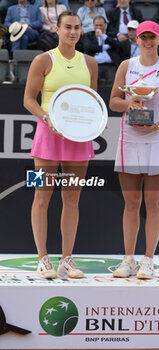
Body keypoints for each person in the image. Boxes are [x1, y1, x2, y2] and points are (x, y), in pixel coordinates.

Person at [23, 10, 98, 279]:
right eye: (68, 27)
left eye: (77, 27)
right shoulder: (42, 60)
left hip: (79, 139)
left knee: (72, 198)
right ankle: (42, 259)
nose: (73, 32)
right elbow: (28, 99)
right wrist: (46, 117)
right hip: (46, 135)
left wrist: (96, 122)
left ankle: (67, 259)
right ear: (57, 29)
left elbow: (93, 102)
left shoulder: (90, 63)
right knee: (41, 196)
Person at [109, 20, 159, 279]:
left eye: (152, 37)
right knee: (131, 202)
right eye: (143, 37)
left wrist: (157, 126)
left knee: (153, 203)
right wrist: (130, 102)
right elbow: (114, 102)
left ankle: (148, 260)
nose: (148, 41)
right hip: (129, 139)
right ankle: (128, 259)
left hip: (157, 139)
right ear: (137, 40)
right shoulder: (126, 66)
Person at [83, 15, 120, 83]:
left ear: (105, 25)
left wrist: (103, 36)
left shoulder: (111, 35)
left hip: (110, 66)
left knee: (113, 81)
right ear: (93, 25)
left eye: (101, 25)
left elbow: (117, 44)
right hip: (95, 65)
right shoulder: (89, 35)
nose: (98, 27)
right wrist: (105, 47)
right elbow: (88, 48)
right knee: (93, 81)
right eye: (96, 25)